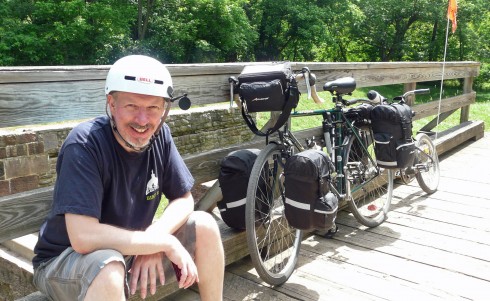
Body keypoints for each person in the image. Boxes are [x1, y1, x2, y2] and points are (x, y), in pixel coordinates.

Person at [32, 55, 225, 301]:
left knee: (205, 226)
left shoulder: (160, 136)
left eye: (153, 108)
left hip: (129, 249)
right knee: (109, 267)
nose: (143, 121)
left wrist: (156, 238)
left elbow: (184, 198)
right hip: (65, 260)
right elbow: (83, 237)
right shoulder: (84, 144)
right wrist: (161, 243)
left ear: (164, 109)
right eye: (132, 106)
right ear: (111, 104)